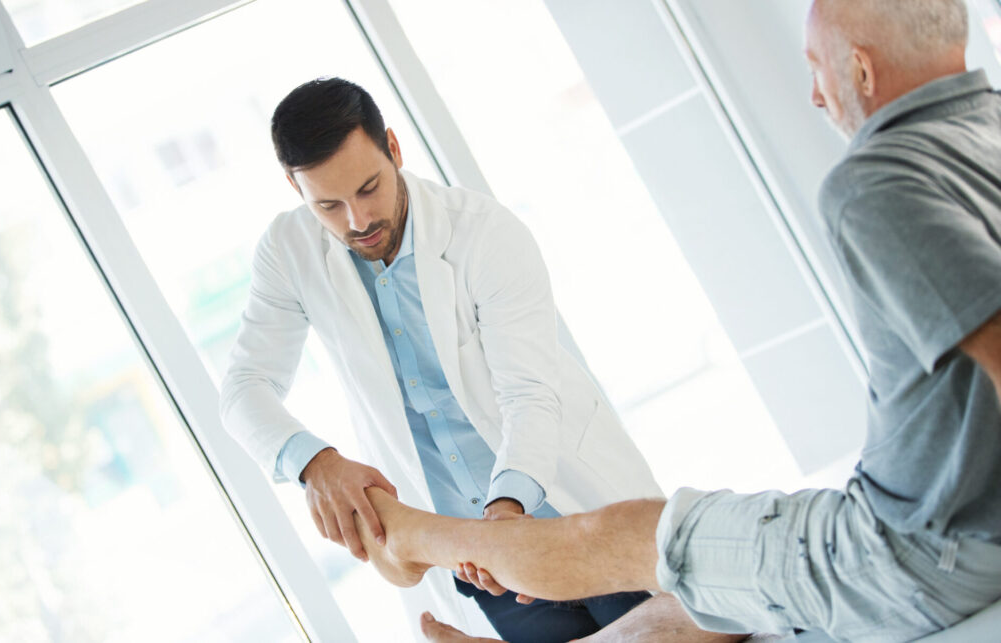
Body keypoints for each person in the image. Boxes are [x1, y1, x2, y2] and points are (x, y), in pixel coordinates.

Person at [351, 0, 1001, 641]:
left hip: (912, 552)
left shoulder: (877, 183)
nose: (814, 95)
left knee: (646, 533)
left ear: (861, 70)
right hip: (941, 539)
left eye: (817, 69)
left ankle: (410, 536)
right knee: (712, 580)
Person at [220, 77, 700, 641]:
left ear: (394, 149)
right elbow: (244, 387)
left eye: (370, 187)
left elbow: (528, 394)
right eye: (328, 204)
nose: (357, 220)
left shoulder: (484, 233)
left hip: (571, 512)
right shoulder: (288, 249)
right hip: (472, 554)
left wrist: (507, 512)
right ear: (294, 187)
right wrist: (315, 463)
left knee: (674, 631)